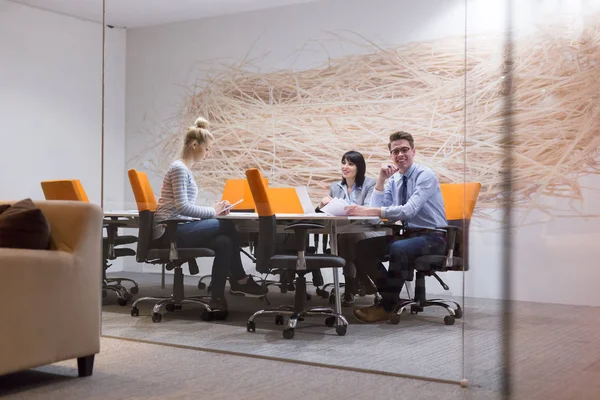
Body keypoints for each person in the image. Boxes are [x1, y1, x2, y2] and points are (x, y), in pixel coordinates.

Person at [153, 117, 268, 313]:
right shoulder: (179, 169)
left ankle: (217, 297)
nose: (208, 153)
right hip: (170, 231)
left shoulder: (185, 170)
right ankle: (240, 279)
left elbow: (185, 207)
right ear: (194, 145)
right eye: (207, 149)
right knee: (227, 226)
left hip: (180, 227)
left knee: (224, 242)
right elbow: (182, 207)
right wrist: (213, 212)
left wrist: (215, 210)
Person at [345, 131, 447, 323]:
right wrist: (381, 180)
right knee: (362, 248)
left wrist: (371, 211)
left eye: (404, 150)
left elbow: (409, 210)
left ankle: (387, 306)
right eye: (395, 151)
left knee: (398, 248)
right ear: (391, 156)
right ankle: (391, 297)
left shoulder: (426, 175)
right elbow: (376, 212)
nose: (400, 154)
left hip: (433, 237)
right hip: (408, 235)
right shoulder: (394, 180)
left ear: (414, 151)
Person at [316, 150, 383, 306]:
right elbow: (322, 213)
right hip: (344, 232)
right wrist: (322, 204)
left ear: (359, 167)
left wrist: (350, 208)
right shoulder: (335, 186)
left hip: (367, 231)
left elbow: (369, 209)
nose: (345, 167)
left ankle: (350, 286)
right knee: (346, 237)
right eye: (343, 163)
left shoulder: (370, 184)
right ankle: (359, 280)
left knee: (349, 238)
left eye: (350, 164)